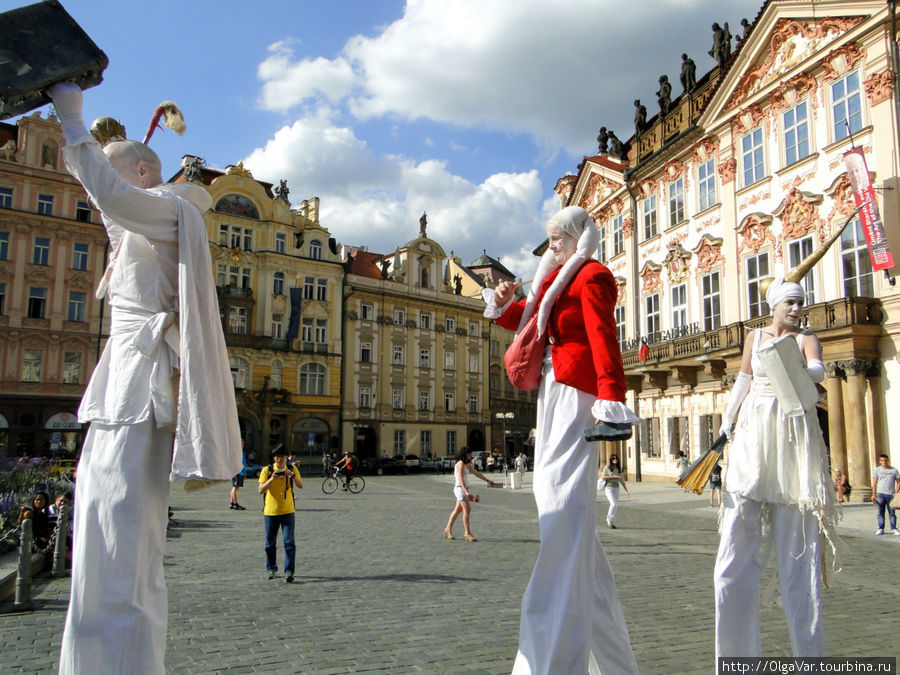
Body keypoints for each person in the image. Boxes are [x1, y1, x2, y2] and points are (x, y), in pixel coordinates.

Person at [49, 83, 242, 675]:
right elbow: (109, 204)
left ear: (140, 171)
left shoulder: (167, 209)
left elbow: (109, 194)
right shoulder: (147, 218)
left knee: (120, 537)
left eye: (115, 173)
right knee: (104, 529)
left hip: (142, 385)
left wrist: (73, 120)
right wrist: (91, 144)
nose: (99, 189)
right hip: (126, 380)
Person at [485, 205, 640, 674]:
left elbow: (604, 336)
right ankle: (612, 663)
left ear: (578, 239)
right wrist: (501, 301)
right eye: (549, 241)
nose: (551, 249)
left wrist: (612, 397)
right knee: (548, 491)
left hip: (579, 391)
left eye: (557, 241)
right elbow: (531, 321)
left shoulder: (592, 275)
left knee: (560, 495)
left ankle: (558, 646)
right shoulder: (557, 277)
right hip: (555, 386)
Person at [714, 276, 837, 658]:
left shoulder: (805, 338)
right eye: (791, 304)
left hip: (791, 434)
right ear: (774, 305)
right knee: (736, 544)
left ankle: (809, 659)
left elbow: (817, 371)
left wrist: (801, 366)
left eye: (801, 303)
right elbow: (744, 379)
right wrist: (728, 417)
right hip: (755, 433)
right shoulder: (755, 337)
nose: (798, 310)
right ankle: (737, 658)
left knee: (798, 551)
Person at [259, 446, 303, 581]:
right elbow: (260, 490)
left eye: (282, 457)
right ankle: (271, 569)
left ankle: (289, 571)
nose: (280, 460)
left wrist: (292, 475)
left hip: (288, 511)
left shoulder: (291, 469)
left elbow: (300, 485)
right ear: (274, 458)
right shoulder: (267, 470)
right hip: (271, 512)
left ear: (286, 458)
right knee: (270, 543)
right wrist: (271, 479)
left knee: (289, 542)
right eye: (277, 457)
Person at [443, 447, 499, 542]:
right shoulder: (460, 464)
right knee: (467, 509)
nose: (471, 455)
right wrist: (466, 491)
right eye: (470, 453)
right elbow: (460, 479)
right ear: (465, 454)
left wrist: (488, 480)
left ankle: (447, 529)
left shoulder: (467, 464)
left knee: (457, 510)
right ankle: (467, 533)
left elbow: (476, 473)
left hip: (463, 489)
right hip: (460, 489)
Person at [871, 454, 900, 535]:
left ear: (888, 460)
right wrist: (873, 494)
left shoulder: (894, 470)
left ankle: (894, 528)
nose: (884, 462)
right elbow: (875, 482)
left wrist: (896, 492)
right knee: (880, 512)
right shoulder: (877, 470)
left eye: (885, 460)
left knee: (892, 513)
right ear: (880, 461)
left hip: (891, 494)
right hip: (880, 494)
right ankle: (880, 528)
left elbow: (898, 482)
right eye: (882, 460)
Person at [599, 454, 630, 529]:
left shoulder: (618, 468)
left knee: (615, 505)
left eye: (616, 459)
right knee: (613, 504)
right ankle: (608, 520)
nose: (615, 460)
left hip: (616, 488)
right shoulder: (607, 467)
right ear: (611, 460)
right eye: (613, 459)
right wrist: (613, 477)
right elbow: (603, 476)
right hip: (609, 488)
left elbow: (622, 480)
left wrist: (626, 491)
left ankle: (612, 521)